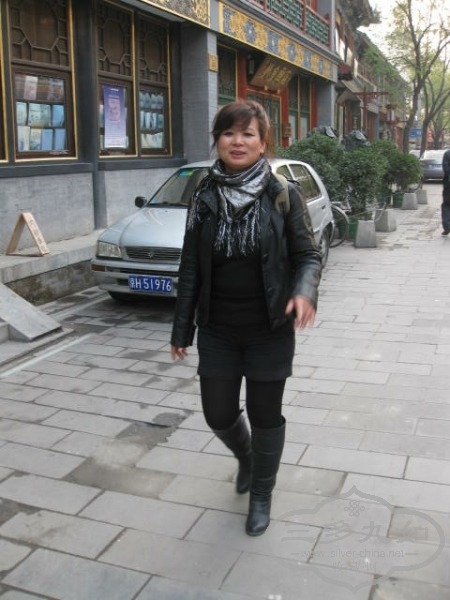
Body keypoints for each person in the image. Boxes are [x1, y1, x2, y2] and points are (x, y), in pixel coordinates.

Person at [170, 100, 322, 536]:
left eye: (247, 133)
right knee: (217, 414)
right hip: (217, 327)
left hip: (268, 329)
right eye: (228, 133)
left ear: (262, 141)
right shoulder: (204, 193)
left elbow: (307, 255)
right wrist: (181, 329)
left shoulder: (282, 192)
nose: (237, 141)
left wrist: (303, 291)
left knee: (264, 413)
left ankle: (261, 493)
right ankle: (248, 458)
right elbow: (191, 266)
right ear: (217, 140)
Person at [442, 148, 450, 235]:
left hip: (448, 185)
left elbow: (446, 170)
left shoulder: (447, 154)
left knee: (447, 205)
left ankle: (447, 227)